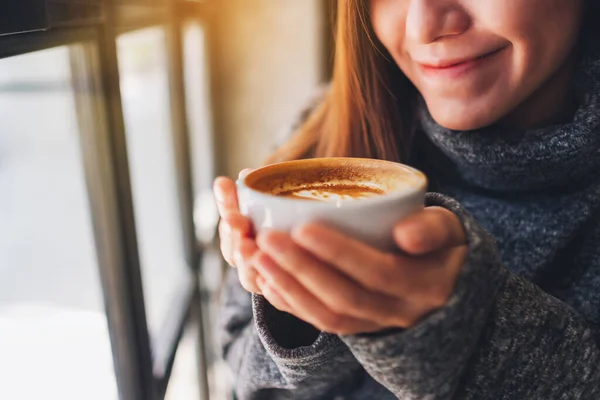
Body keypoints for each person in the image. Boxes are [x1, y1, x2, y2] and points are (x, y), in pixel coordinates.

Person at [213, 1, 600, 398]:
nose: (424, 26)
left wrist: (471, 337)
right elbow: (239, 368)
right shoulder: (324, 128)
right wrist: (300, 309)